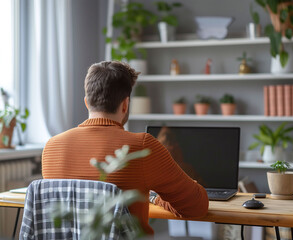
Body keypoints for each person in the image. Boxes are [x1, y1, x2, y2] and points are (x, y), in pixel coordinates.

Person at [42, 61, 209, 235]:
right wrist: (156, 198)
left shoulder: (52, 147)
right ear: (125, 104)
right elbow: (196, 206)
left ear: (86, 102)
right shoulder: (142, 146)